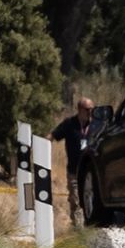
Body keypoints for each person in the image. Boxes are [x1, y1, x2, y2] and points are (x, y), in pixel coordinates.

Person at [49, 97, 96, 226]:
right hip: (74, 171)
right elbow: (53, 135)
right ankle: (78, 228)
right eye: (87, 109)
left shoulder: (96, 125)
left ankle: (92, 224)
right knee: (76, 200)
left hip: (92, 172)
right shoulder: (69, 124)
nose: (90, 112)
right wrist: (39, 146)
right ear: (80, 109)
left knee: (92, 199)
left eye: (92, 109)